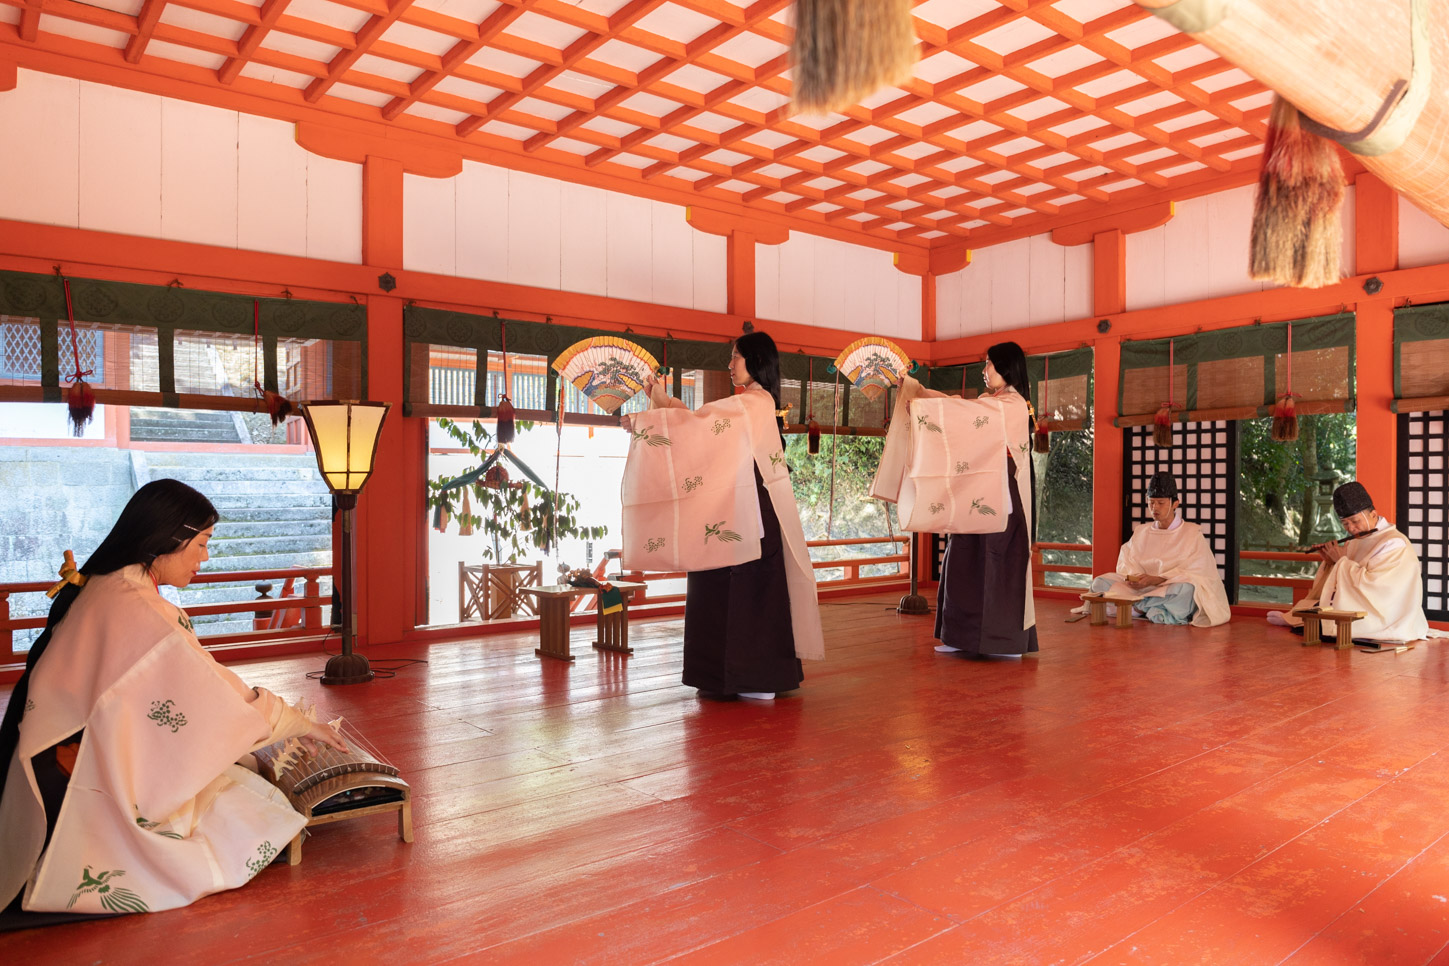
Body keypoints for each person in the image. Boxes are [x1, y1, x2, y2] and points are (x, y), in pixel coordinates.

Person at [0, 480, 346, 921]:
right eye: (201, 544)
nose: (205, 557)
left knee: (238, 771)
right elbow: (217, 695)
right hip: (75, 770)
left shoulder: (114, 583)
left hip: (58, 747)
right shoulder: (141, 608)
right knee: (243, 811)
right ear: (168, 539)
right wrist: (300, 722)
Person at [622, 331, 825, 699]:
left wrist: (645, 420)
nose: (730, 364)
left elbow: (699, 425)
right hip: (734, 505)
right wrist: (661, 401)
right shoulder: (749, 403)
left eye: (736, 357)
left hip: (755, 512)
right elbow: (703, 426)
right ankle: (727, 676)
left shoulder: (753, 403)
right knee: (722, 581)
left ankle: (757, 677)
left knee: (750, 588)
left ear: (756, 361)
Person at [874, 342, 1038, 657]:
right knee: (962, 557)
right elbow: (958, 405)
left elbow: (960, 411)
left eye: (989, 363)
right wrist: (916, 390)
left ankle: (1003, 641)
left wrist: (922, 401)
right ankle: (960, 636)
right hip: (976, 488)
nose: (984, 370)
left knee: (997, 562)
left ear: (1007, 366)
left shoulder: (1013, 404)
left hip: (1001, 496)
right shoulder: (993, 402)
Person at [1268, 481, 1433, 643]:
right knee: (1317, 616)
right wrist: (1331, 562)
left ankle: (1299, 621)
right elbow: (1344, 572)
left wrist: (1340, 561)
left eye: (1355, 521)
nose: (1351, 528)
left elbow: (1379, 586)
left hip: (1388, 613)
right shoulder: (1355, 540)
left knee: (1321, 625)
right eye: (1345, 524)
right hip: (1360, 603)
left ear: (1373, 515)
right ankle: (1296, 619)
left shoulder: (1393, 542)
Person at [1081, 471, 1230, 626]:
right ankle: (1150, 608)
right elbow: (1127, 561)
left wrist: (1159, 579)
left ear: (1175, 503)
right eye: (1151, 502)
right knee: (1099, 583)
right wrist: (1135, 578)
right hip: (1139, 588)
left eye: (1160, 503)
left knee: (1188, 589)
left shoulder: (1192, 533)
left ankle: (1135, 607)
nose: (1154, 507)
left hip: (1168, 587)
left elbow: (1199, 573)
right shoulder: (1142, 531)